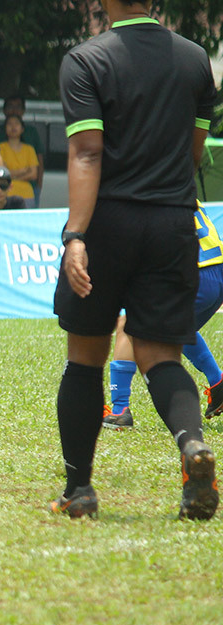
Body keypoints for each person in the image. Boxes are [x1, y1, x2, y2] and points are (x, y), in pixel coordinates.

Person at [51, 0, 218, 520]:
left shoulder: (86, 60)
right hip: (173, 223)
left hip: (109, 224)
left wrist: (75, 234)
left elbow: (87, 154)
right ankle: (192, 444)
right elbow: (194, 152)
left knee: (86, 357)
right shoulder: (195, 61)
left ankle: (79, 490)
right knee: (162, 356)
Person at [102, 202, 223, 429]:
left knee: (128, 325)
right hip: (217, 272)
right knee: (176, 328)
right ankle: (218, 381)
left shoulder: (144, 194)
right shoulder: (176, 185)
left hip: (193, 275)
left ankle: (119, 411)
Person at [0, 95, 45, 204]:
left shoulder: (32, 133)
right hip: (4, 191)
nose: (14, 110)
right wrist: (24, 171)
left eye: (18, 107)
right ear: (4, 110)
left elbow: (38, 164)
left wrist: (38, 185)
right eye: (11, 106)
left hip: (29, 190)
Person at [0, 115, 39, 208]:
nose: (13, 127)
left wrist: (12, 176)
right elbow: (2, 173)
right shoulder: (0, 148)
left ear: (22, 129)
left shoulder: (29, 149)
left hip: (26, 194)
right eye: (10, 124)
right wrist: (23, 171)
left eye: (16, 124)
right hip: (6, 194)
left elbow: (33, 174)